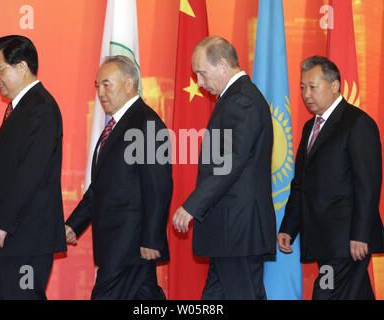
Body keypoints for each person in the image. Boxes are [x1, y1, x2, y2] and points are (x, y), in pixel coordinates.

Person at [172, 36, 276, 300]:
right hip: (230, 231)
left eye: (202, 73)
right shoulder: (236, 98)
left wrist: (193, 205)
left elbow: (229, 161)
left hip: (237, 229)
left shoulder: (241, 101)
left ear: (222, 64)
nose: (199, 82)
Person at [65, 55, 172, 300]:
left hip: (130, 245)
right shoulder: (116, 125)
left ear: (128, 84)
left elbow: (159, 187)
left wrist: (152, 239)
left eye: (106, 84)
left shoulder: (146, 123)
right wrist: (74, 224)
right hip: (119, 246)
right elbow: (101, 187)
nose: (100, 92)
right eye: (97, 85)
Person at [278, 56, 384, 300]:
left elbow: (368, 187)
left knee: (325, 294)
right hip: (324, 239)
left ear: (335, 86)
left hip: (346, 242)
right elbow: (301, 183)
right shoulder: (310, 127)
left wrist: (360, 235)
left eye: (313, 86)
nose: (306, 94)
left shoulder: (357, 123)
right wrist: (288, 227)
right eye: (303, 87)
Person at [0, 35, 67, 299]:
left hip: (22, 238)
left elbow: (30, 172)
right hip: (0, 242)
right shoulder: (22, 107)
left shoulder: (41, 108)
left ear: (22, 67)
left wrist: (3, 222)